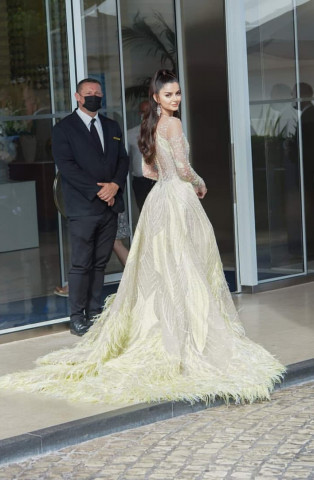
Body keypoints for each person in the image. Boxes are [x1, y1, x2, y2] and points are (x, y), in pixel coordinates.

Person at [0, 70, 285, 405]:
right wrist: (199, 181)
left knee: (162, 266)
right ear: (156, 98)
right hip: (177, 199)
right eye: (169, 95)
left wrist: (145, 181)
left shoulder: (147, 126)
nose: (175, 99)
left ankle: (161, 325)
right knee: (184, 264)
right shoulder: (173, 125)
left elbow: (148, 171)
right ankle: (182, 330)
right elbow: (181, 168)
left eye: (177, 94)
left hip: (158, 200)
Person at [51, 77, 129, 336]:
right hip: (83, 207)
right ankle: (76, 318)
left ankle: (94, 312)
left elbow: (123, 160)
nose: (94, 95)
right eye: (88, 92)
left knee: (100, 263)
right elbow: (67, 167)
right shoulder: (64, 129)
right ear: (77, 97)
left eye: (98, 92)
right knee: (81, 263)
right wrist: (100, 190)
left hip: (109, 206)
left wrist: (115, 186)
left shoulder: (112, 125)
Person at [128, 100, 156, 211]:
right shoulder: (130, 134)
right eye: (143, 111)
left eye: (149, 111)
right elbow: (123, 159)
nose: (146, 115)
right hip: (141, 182)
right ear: (140, 114)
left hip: (160, 180)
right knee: (144, 214)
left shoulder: (164, 131)